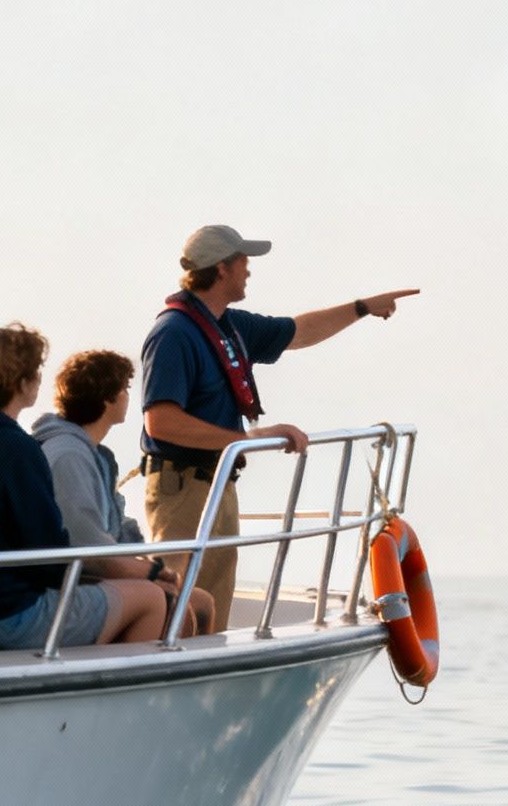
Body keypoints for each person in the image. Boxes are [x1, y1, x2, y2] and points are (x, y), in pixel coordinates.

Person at [139, 224, 418, 632]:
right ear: (221, 269)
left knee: (212, 604)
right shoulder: (173, 333)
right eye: (242, 261)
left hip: (217, 483)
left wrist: (361, 307)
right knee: (177, 601)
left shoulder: (229, 325)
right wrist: (245, 440)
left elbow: (299, 332)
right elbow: (161, 422)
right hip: (181, 488)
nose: (248, 270)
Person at [0, 324, 169, 651]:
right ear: (22, 382)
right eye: (36, 371)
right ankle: (105, 699)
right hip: (11, 614)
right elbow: (49, 557)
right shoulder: (15, 448)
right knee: (151, 599)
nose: (40, 379)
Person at [32, 349, 215, 635]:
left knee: (202, 602)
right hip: (76, 576)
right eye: (126, 388)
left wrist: (147, 563)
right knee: (178, 607)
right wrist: (148, 575)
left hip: (100, 569)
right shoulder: (68, 455)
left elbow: (118, 524)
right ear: (108, 397)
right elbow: (84, 540)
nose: (130, 396)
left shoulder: (96, 455)